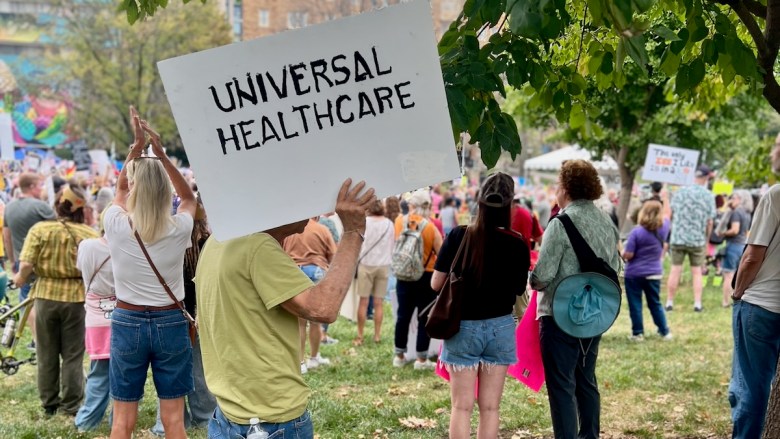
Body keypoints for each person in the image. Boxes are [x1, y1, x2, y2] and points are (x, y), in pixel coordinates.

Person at [196, 179, 375, 438]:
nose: (310, 207)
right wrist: (353, 231)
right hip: (268, 420)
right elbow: (323, 308)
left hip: (231, 414)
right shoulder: (256, 246)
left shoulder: (220, 240)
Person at [104, 108, 197, 439]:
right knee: (173, 420)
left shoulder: (115, 225)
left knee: (122, 422)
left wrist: (137, 148)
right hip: (170, 322)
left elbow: (119, 192)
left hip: (127, 322)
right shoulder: (179, 228)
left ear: (135, 189)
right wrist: (161, 156)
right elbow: (188, 197)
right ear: (164, 193)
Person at [431, 172, 530, 439]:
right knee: (490, 408)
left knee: (461, 407)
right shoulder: (518, 243)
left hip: (462, 326)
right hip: (501, 328)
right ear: (510, 204)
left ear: (479, 201)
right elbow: (520, 289)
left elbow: (436, 284)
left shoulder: (459, 236)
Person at [530, 159, 621, 439]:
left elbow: (543, 275)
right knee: (586, 380)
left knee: (561, 386)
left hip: (560, 315)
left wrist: (532, 278)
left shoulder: (560, 223)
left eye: (558, 185)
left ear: (566, 188)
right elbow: (615, 266)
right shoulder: (607, 221)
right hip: (595, 314)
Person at [13, 185, 99, 416]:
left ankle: (49, 403)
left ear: (59, 203)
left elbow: (26, 266)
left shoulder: (40, 229)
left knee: (46, 352)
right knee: (73, 355)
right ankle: (71, 405)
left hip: (45, 296)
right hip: (76, 298)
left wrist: (19, 279)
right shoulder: (89, 234)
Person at [150, 197, 217, 436]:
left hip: (169, 312)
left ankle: (170, 421)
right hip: (198, 314)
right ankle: (206, 416)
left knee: (169, 373)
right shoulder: (209, 243)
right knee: (199, 369)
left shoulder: (167, 240)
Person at [729, 135, 780, 439]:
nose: (773, 151)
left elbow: (752, 256)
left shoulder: (774, 195)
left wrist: (737, 292)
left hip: (761, 305)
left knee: (751, 387)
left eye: (777, 145)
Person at [4, 172, 57, 347]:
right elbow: (58, 231)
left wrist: (12, 260)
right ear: (32, 187)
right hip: (45, 261)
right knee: (47, 299)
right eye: (40, 185)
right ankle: (48, 338)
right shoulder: (41, 207)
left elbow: (7, 235)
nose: (42, 188)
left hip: (21, 260)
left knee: (27, 300)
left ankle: (37, 340)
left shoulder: (9, 207)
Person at [393, 189, 443, 370]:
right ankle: (421, 360)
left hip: (403, 275)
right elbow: (442, 252)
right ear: (428, 207)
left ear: (412, 205)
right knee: (424, 317)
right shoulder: (430, 228)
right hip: (425, 276)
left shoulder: (399, 221)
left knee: (402, 316)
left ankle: (399, 355)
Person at [74, 220, 116, 431]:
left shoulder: (87, 246)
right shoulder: (127, 248)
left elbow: (80, 268)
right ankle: (118, 423)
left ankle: (87, 422)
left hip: (96, 320)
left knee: (98, 374)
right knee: (123, 376)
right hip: (122, 318)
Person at [665, 165, 716, 312]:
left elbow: (671, 214)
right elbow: (710, 222)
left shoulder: (680, 192)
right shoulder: (708, 195)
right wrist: (706, 241)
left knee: (675, 270)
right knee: (697, 272)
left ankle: (669, 302)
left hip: (678, 238)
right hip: (697, 239)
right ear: (706, 178)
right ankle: (697, 304)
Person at [622, 200, 672, 341]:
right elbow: (668, 214)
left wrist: (622, 252)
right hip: (654, 272)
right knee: (655, 303)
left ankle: (638, 333)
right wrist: (665, 195)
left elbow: (629, 255)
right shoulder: (664, 228)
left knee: (635, 304)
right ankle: (664, 331)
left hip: (634, 274)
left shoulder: (636, 232)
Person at [355, 200, 394, 345]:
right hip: (383, 265)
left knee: (363, 302)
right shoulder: (389, 224)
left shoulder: (365, 222)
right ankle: (377, 335)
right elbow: (392, 244)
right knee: (379, 303)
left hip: (366, 264)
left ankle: (360, 335)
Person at [716, 189, 753, 308]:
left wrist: (723, 233)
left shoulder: (737, 212)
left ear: (741, 199)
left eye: (735, 198)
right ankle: (737, 299)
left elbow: (735, 230)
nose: (732, 200)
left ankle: (726, 302)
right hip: (743, 246)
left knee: (728, 275)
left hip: (733, 245)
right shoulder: (747, 213)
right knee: (738, 276)